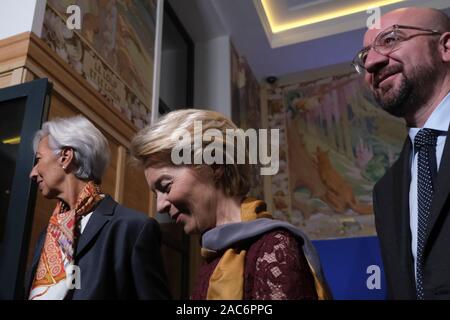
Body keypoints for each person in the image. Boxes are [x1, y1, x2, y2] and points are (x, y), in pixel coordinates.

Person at [130, 108, 330, 300]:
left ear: (214, 166)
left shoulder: (274, 248)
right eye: (156, 196)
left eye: (165, 186)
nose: (160, 207)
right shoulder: (213, 259)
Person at [352, 7, 450, 299]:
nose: (372, 62)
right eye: (364, 55)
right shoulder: (386, 190)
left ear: (446, 47)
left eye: (391, 39)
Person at [26, 115, 171, 300]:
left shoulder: (133, 229)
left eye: (38, 159)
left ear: (65, 156)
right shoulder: (47, 235)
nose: (32, 173)